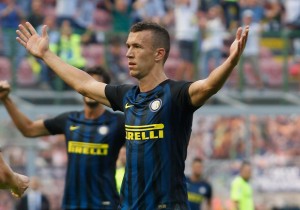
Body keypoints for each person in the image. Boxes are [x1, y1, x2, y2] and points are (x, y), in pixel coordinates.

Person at [16, 21, 249, 209]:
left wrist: (230, 62)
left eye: (137, 47)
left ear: (159, 54)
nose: (128, 53)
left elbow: (208, 86)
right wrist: (46, 55)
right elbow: (85, 84)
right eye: (128, 46)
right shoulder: (127, 96)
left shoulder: (176, 95)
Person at [0, 66, 126, 210]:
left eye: (96, 85)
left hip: (106, 204)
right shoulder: (70, 120)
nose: (91, 90)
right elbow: (29, 129)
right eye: (88, 84)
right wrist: (6, 99)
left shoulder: (118, 122)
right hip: (71, 204)